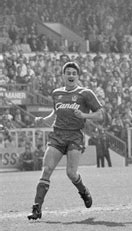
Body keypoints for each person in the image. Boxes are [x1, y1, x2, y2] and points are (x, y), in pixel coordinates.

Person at [27, 62, 104, 220]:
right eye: (67, 72)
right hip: (57, 135)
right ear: (63, 75)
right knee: (47, 169)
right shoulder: (56, 93)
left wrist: (84, 116)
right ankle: (37, 208)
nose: (70, 75)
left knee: (71, 173)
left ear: (77, 76)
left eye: (73, 73)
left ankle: (83, 191)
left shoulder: (85, 93)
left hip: (75, 135)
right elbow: (55, 112)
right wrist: (43, 120)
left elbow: (100, 114)